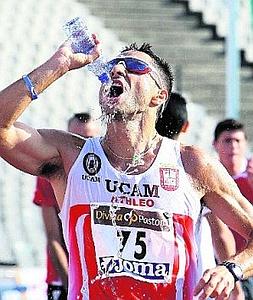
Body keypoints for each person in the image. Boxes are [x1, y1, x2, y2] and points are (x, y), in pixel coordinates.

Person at [1, 36, 253, 300]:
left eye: (133, 66)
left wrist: (231, 269)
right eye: (114, 65)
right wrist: (59, 64)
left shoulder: (191, 165)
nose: (117, 70)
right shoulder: (71, 157)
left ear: (159, 96)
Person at [156, 92, 244, 299]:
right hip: (192, 286)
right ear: (186, 126)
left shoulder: (130, 169)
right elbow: (220, 233)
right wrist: (234, 284)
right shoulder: (193, 169)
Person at [33, 112, 100, 300]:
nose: (83, 145)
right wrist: (74, 285)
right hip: (64, 280)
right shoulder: (50, 176)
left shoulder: (108, 173)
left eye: (89, 139)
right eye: (76, 138)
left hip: (102, 280)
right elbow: (54, 238)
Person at [213, 119, 253, 300]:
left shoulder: (251, 177)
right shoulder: (207, 178)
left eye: (238, 141)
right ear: (215, 145)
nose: (233, 147)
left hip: (249, 263)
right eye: (227, 141)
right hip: (219, 265)